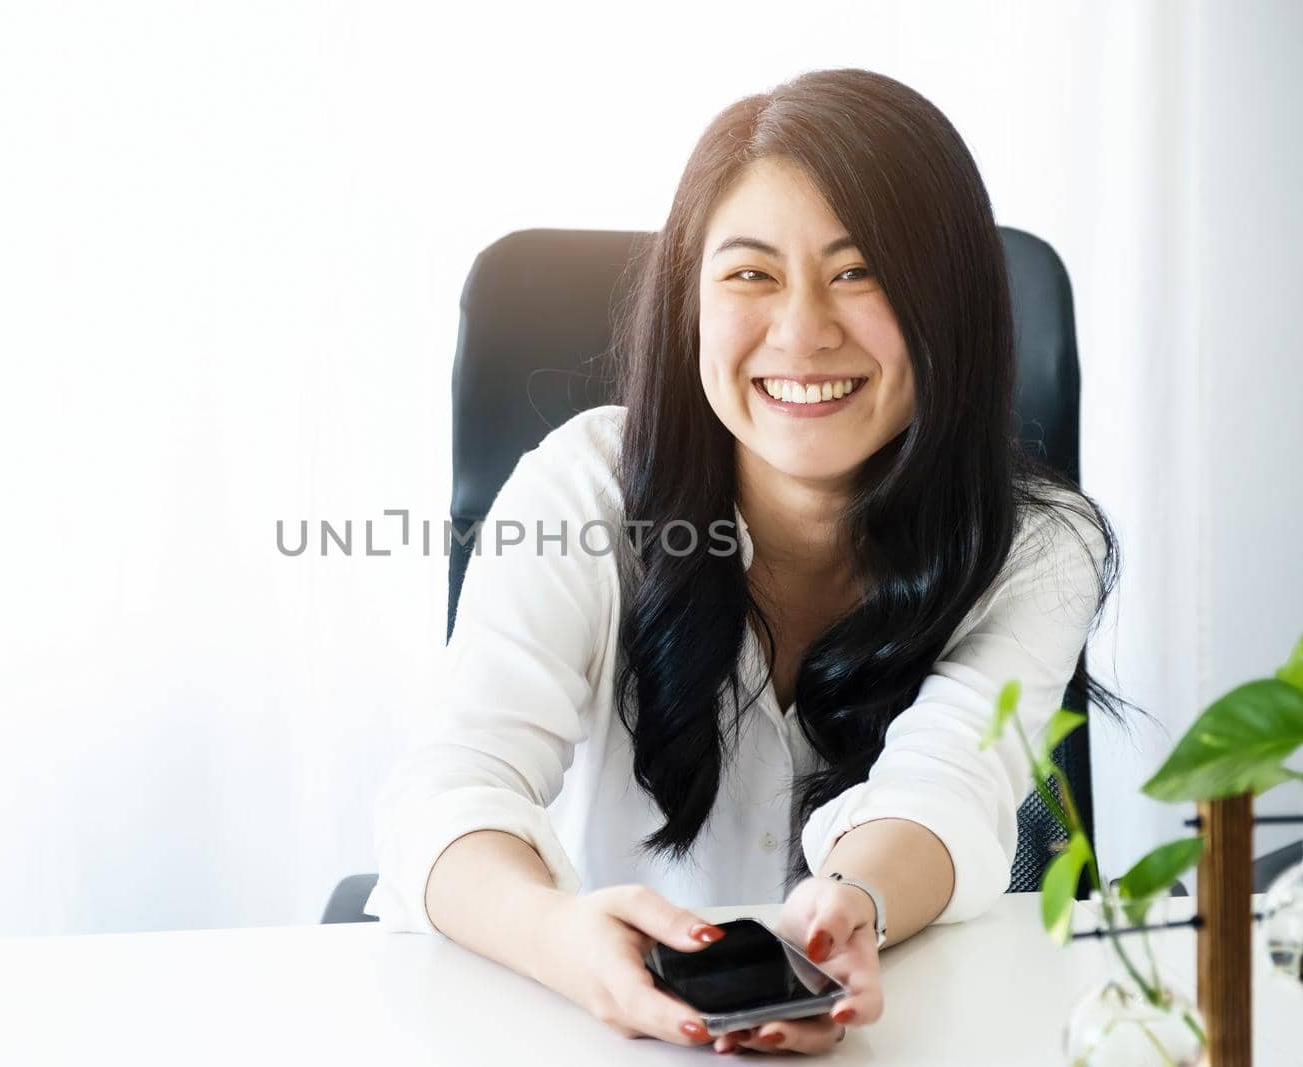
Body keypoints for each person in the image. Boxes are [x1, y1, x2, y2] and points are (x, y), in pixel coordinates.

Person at [364, 67, 1120, 1056]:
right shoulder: (586, 487)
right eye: (750, 273)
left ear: (951, 302)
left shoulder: (1037, 543)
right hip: (599, 1032)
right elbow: (450, 784)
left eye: (858, 271)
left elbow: (948, 787)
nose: (802, 332)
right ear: (690, 303)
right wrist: (562, 939)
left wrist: (848, 908)